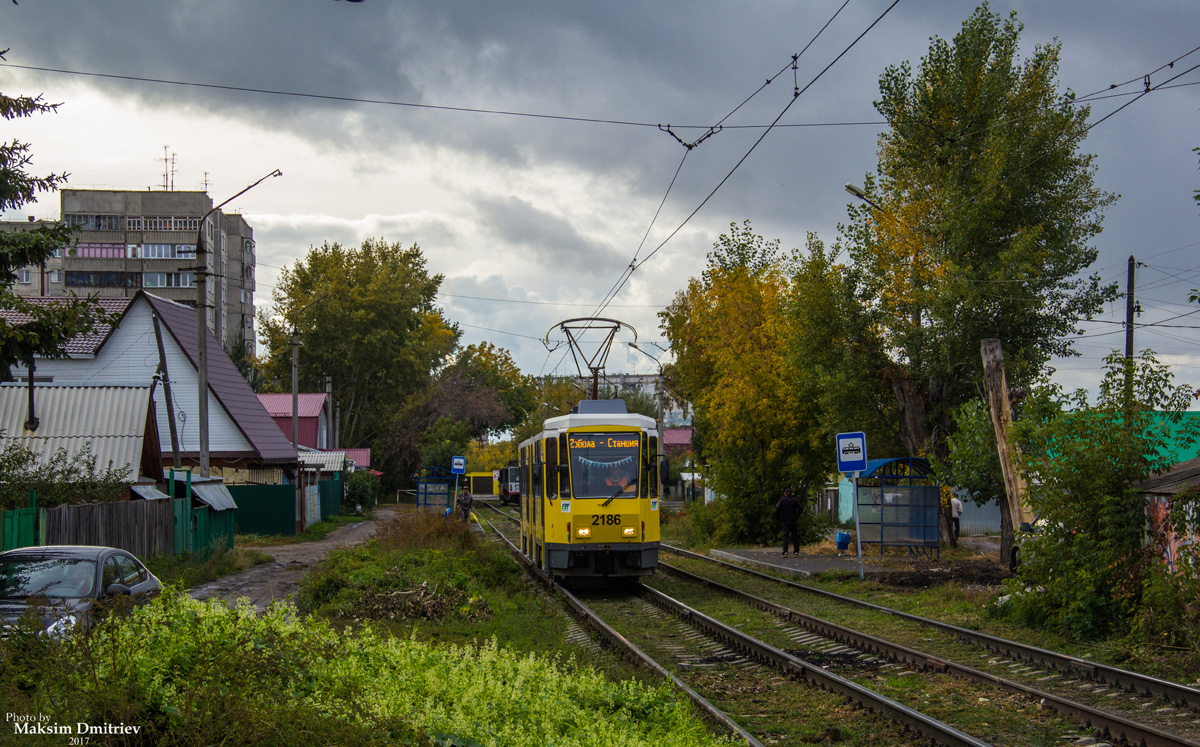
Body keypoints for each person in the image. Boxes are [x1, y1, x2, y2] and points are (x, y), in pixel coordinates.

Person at [775, 487, 801, 557]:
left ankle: (785, 551)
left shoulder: (782, 500)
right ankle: (796, 551)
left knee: (785, 536)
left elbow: (777, 507)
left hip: (785, 520)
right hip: (793, 520)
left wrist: (779, 515)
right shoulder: (794, 500)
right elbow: (800, 507)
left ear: (785, 493)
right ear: (791, 493)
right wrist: (798, 514)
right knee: (795, 536)